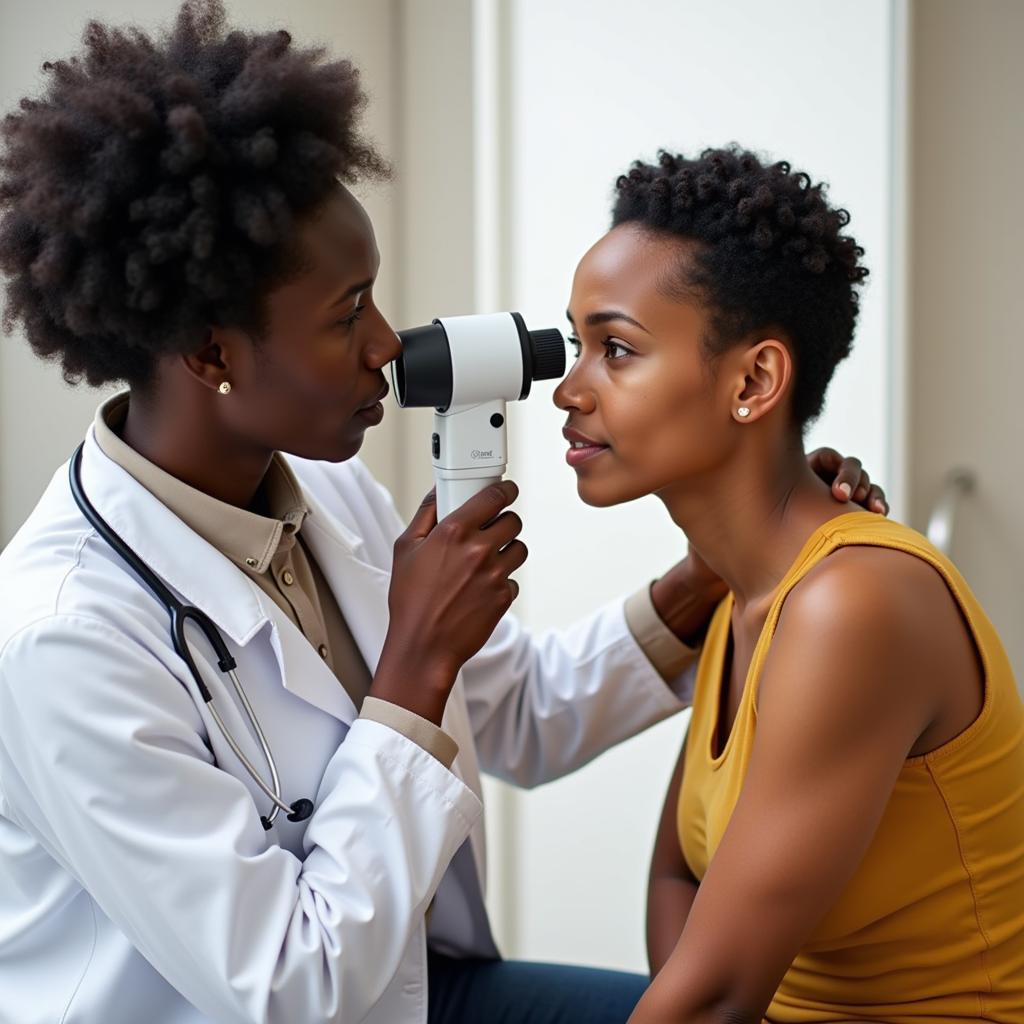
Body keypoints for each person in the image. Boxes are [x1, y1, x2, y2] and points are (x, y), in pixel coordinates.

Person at [0, 6, 885, 1023]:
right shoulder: (64, 636)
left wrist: (712, 579)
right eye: (347, 316)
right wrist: (414, 668)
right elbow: (290, 981)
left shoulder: (326, 496)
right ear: (212, 354)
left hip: (413, 986)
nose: (388, 344)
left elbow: (516, 717)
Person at [553, 145, 1024, 1023]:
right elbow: (679, 875)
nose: (568, 390)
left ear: (755, 380)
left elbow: (714, 994)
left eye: (614, 349)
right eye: (578, 345)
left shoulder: (854, 605)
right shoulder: (744, 598)